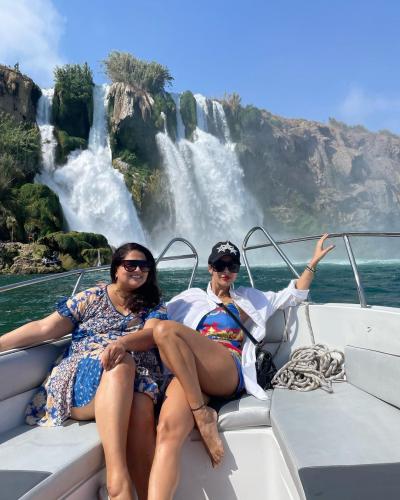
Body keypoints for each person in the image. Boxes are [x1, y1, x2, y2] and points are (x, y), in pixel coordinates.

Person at [147, 234, 334, 500]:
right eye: (220, 265)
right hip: (190, 377)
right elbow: (151, 316)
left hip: (226, 369)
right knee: (167, 431)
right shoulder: (189, 298)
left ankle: (202, 414)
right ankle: (200, 412)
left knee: (165, 331)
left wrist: (312, 264)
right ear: (210, 267)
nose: (226, 271)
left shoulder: (249, 298)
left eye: (232, 266)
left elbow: (293, 295)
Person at [0, 242, 168, 500]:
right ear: (116, 269)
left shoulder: (154, 305)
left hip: (133, 382)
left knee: (142, 403)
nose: (138, 270)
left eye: (144, 266)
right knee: (121, 364)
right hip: (80, 380)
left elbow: (151, 335)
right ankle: (117, 480)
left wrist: (122, 343)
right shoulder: (92, 297)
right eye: (130, 265)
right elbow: (45, 328)